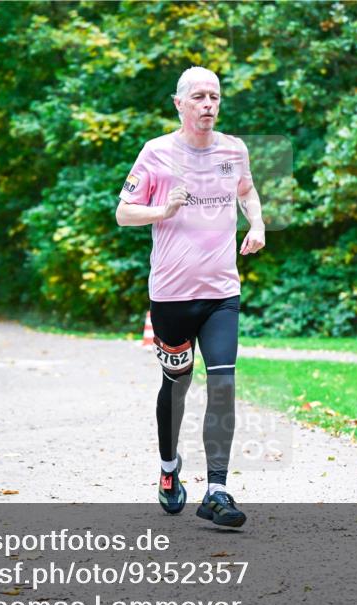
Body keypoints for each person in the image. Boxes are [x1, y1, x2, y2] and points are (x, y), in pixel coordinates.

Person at [115, 66, 266, 528]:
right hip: (172, 296)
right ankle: (168, 470)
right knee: (177, 385)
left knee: (223, 382)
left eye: (215, 97)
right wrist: (164, 209)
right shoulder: (156, 153)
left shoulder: (233, 149)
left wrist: (257, 223)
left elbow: (247, 190)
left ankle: (217, 490)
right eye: (198, 96)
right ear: (179, 103)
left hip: (222, 291)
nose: (208, 104)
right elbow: (123, 213)